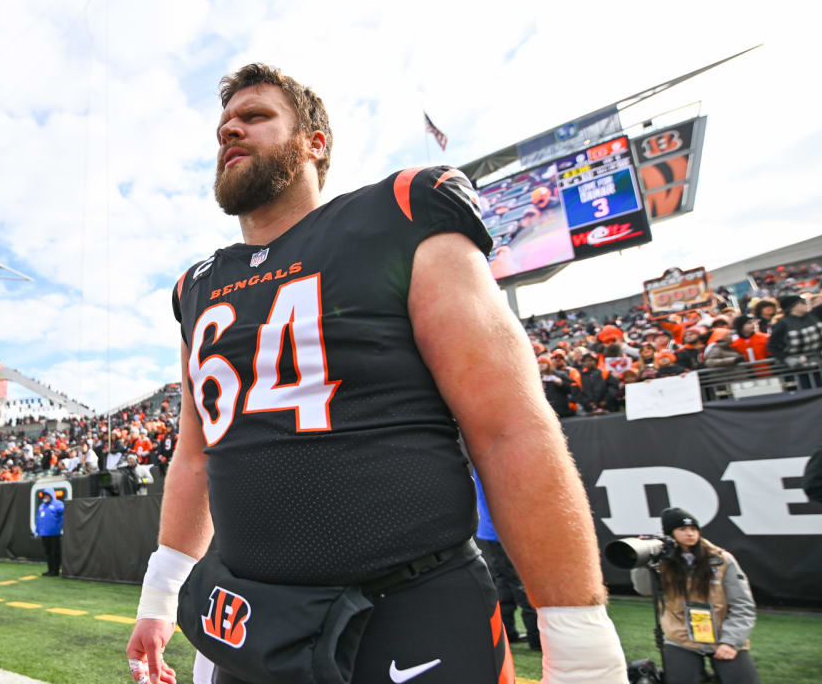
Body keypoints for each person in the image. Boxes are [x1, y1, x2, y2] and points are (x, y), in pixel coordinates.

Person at [127, 64, 625, 684]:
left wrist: (580, 643)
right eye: (224, 123)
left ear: (314, 142)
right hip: (253, 616)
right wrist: (161, 594)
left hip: (408, 609)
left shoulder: (399, 214)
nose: (230, 129)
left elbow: (509, 428)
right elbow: (196, 457)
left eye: (255, 116)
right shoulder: (197, 286)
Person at [631, 508, 761, 684]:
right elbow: (643, 589)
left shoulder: (722, 559)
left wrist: (730, 642)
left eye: (693, 528)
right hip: (680, 638)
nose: (690, 534)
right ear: (670, 534)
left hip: (722, 635)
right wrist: (644, 559)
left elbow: (743, 605)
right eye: (683, 529)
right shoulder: (663, 562)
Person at [473, 474, 538, 651]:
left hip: (492, 531)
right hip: (505, 532)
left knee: (504, 581)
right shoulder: (494, 462)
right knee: (520, 583)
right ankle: (536, 638)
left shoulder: (484, 461)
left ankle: (509, 632)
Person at [766, 294, 821, 367]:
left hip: (818, 362)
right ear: (793, 307)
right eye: (803, 302)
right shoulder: (783, 324)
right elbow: (772, 346)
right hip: (799, 368)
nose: (806, 304)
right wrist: (787, 358)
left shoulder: (814, 315)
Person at [36, 488, 65, 577]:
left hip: (54, 533)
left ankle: (55, 570)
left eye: (47, 495)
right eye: (44, 495)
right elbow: (38, 519)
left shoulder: (58, 504)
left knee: (55, 552)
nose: (45, 496)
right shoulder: (41, 506)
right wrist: (37, 530)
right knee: (48, 552)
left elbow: (64, 513)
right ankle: (50, 569)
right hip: (44, 533)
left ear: (51, 495)